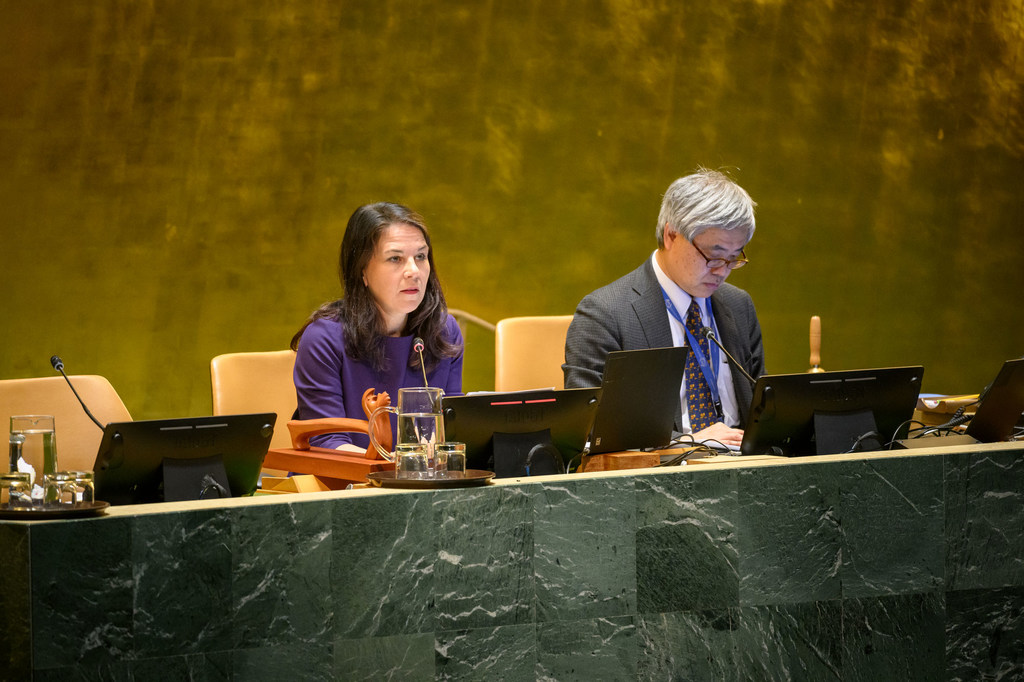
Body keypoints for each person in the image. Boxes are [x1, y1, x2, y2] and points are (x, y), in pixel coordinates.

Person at [563, 169, 764, 449]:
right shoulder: (604, 314)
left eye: (734, 258)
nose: (722, 272)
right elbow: (589, 428)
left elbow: (761, 410)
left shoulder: (739, 306)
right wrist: (689, 441)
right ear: (671, 234)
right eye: (714, 256)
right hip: (657, 478)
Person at [292, 202, 463, 451]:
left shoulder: (444, 331)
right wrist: (397, 468)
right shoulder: (324, 338)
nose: (413, 271)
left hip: (420, 484)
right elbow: (328, 442)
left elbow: (452, 431)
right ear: (362, 271)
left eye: (421, 256)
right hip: (338, 483)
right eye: (395, 258)